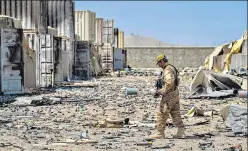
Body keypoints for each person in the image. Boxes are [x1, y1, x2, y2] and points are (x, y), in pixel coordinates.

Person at [149, 54, 186, 139]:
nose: (159, 65)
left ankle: (160, 133)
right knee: (175, 114)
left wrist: (161, 91)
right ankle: (181, 132)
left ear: (162, 61)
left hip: (169, 96)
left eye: (159, 63)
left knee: (161, 113)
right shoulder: (172, 67)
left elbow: (169, 82)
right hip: (175, 94)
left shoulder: (167, 70)